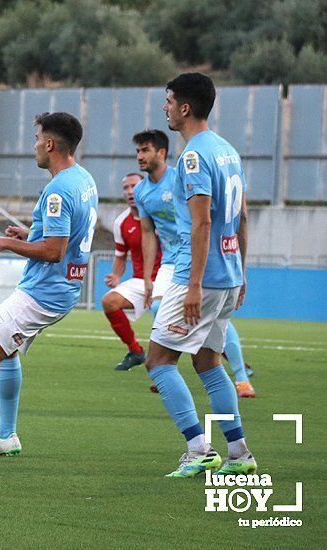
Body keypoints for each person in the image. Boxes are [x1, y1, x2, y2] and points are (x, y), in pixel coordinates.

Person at [0, 112, 98, 464]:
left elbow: (54, 251)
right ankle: (6, 436)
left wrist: (6, 244)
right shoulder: (83, 179)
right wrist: (30, 235)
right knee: (5, 352)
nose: (35, 145)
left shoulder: (58, 190)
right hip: (64, 287)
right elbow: (66, 237)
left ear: (51, 144)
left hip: (44, 290)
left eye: (37, 138)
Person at [146, 73, 256, 478]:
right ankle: (240, 453)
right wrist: (241, 272)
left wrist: (191, 285)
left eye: (169, 100)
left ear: (185, 108)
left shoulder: (193, 157)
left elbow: (202, 222)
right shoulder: (228, 151)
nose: (166, 107)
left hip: (202, 279)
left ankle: (199, 450)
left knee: (158, 361)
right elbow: (242, 216)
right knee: (209, 362)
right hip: (227, 276)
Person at [134, 129, 256, 398]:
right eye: (138, 151)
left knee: (163, 359)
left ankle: (239, 374)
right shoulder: (141, 191)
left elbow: (203, 222)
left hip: (196, 258)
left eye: (145, 150)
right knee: (159, 307)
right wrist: (146, 276)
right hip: (174, 260)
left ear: (161, 153)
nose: (140, 156)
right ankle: (168, 368)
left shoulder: (185, 168)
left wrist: (195, 283)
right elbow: (148, 233)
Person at [102, 172, 162, 371]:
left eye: (134, 186)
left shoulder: (162, 213)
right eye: (125, 188)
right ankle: (136, 352)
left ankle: (234, 362)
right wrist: (117, 275)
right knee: (109, 302)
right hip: (141, 280)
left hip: (169, 277)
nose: (130, 191)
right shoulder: (121, 222)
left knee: (195, 318)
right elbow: (120, 255)